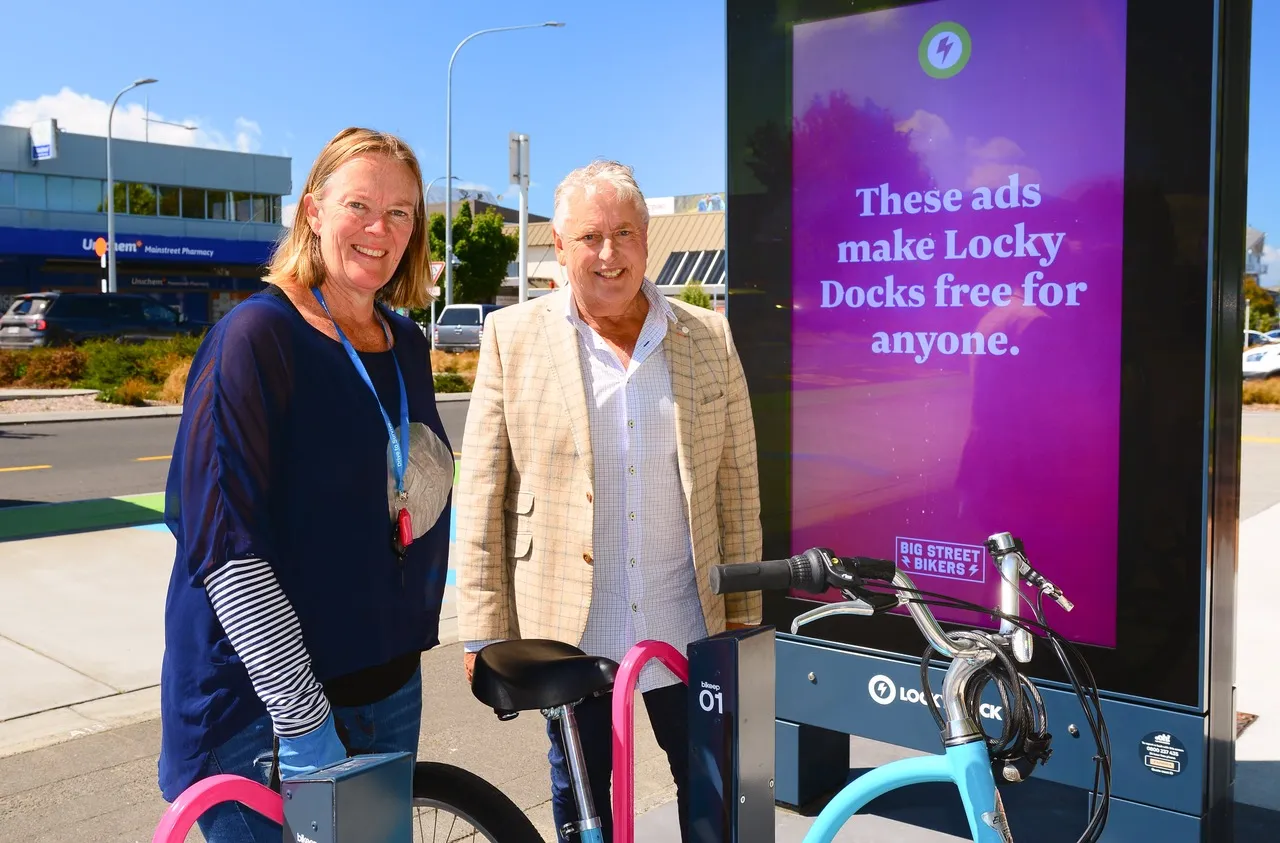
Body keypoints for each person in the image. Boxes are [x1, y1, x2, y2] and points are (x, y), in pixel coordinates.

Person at [157, 127, 454, 843]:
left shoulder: (406, 342)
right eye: (360, 205)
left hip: (384, 688)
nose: (380, 229)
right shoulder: (257, 338)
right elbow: (227, 550)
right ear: (314, 212)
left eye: (401, 212)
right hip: (267, 714)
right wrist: (303, 718)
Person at [454, 159, 762, 841]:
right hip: (568, 628)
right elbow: (481, 490)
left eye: (624, 232)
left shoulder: (708, 337)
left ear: (647, 239)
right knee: (583, 800)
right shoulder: (514, 337)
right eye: (589, 236)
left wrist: (742, 614)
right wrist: (482, 626)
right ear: (558, 249)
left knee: (712, 791)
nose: (608, 253)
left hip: (687, 620)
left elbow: (738, 489)